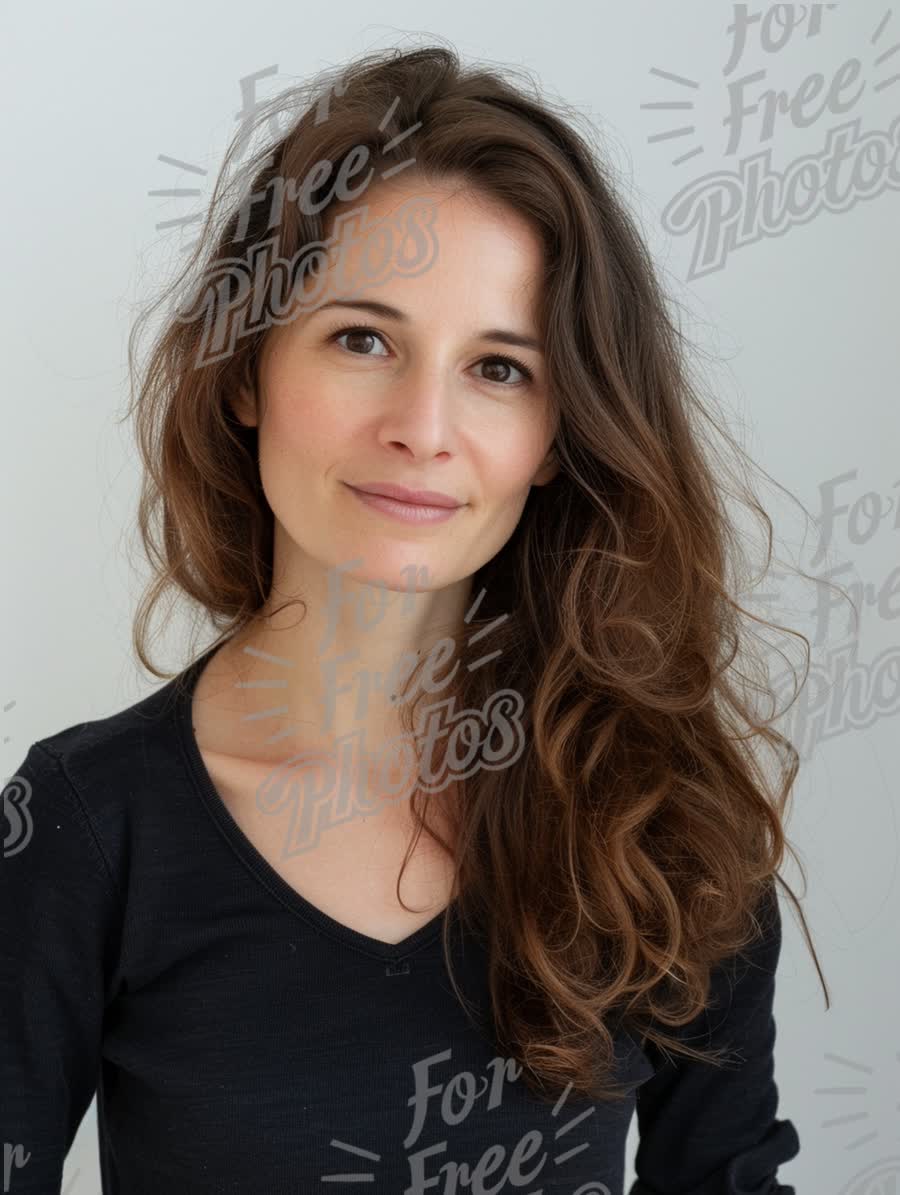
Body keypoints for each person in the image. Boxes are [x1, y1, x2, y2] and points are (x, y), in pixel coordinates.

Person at [1, 41, 829, 1194]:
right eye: (362, 339)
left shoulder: (660, 813)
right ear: (246, 369)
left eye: (500, 368)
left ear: (558, 438)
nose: (422, 426)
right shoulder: (85, 829)